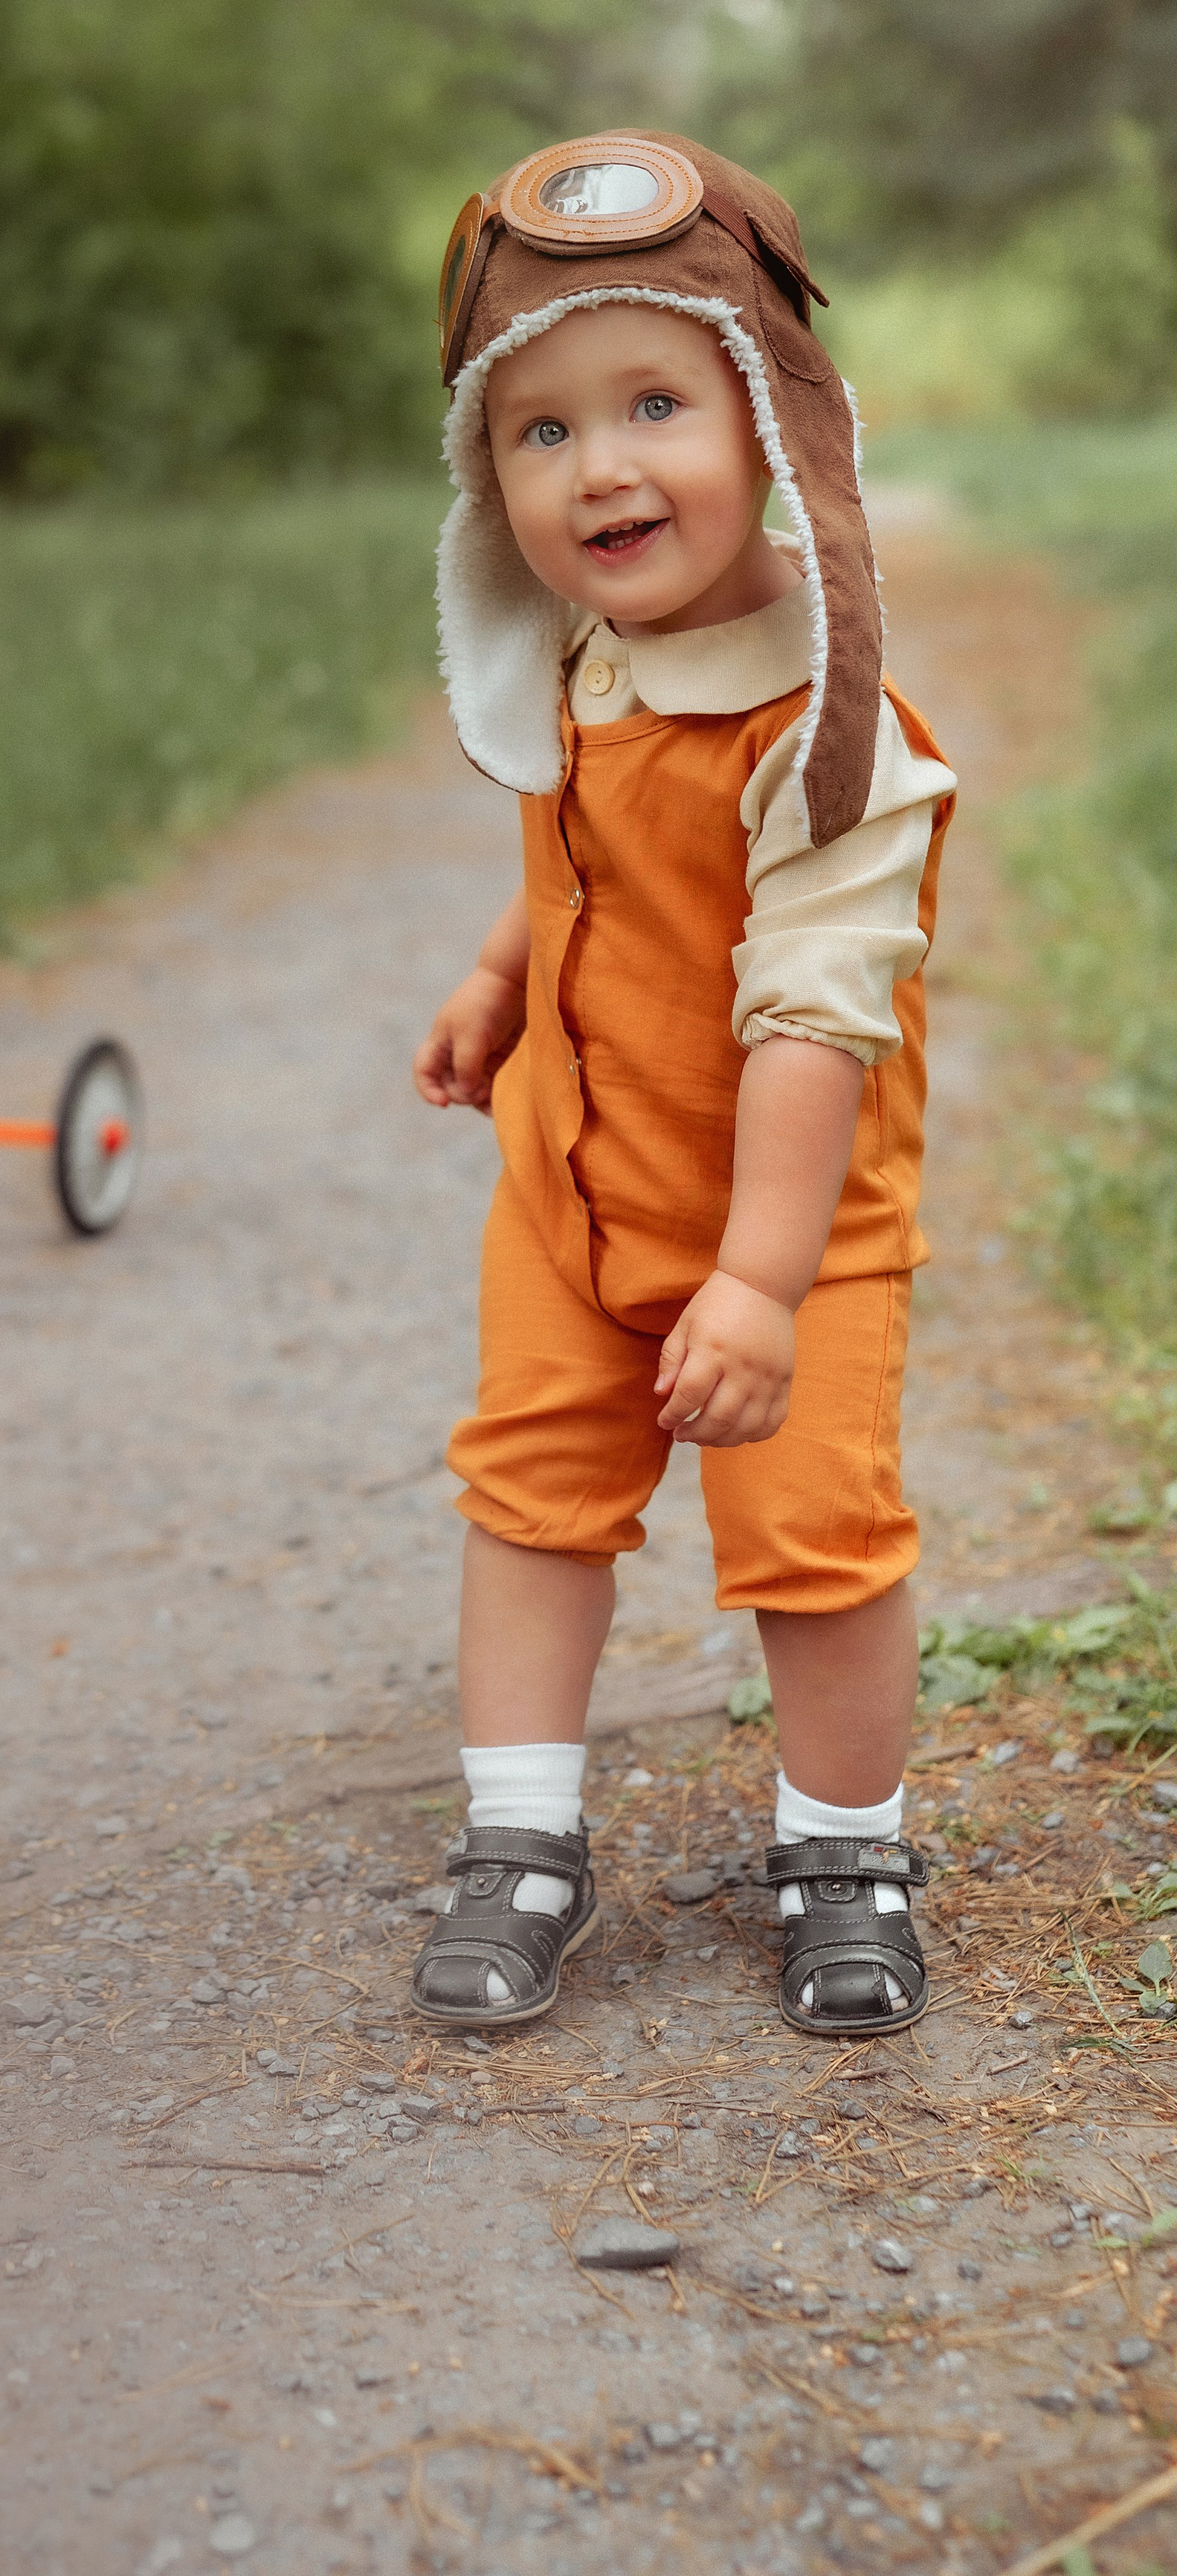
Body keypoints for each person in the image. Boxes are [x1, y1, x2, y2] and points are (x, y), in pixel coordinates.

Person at [407, 133, 955, 2040]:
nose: (600, 467)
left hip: (790, 1234)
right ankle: (518, 1834)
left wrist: (758, 1282)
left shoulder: (831, 731)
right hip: (566, 1200)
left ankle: (844, 1840)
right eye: (538, 429)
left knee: (812, 1543)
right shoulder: (588, 660)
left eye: (655, 401)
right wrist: (499, 979)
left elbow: (808, 1019)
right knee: (529, 1502)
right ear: (489, 481)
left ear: (774, 425)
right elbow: (578, 861)